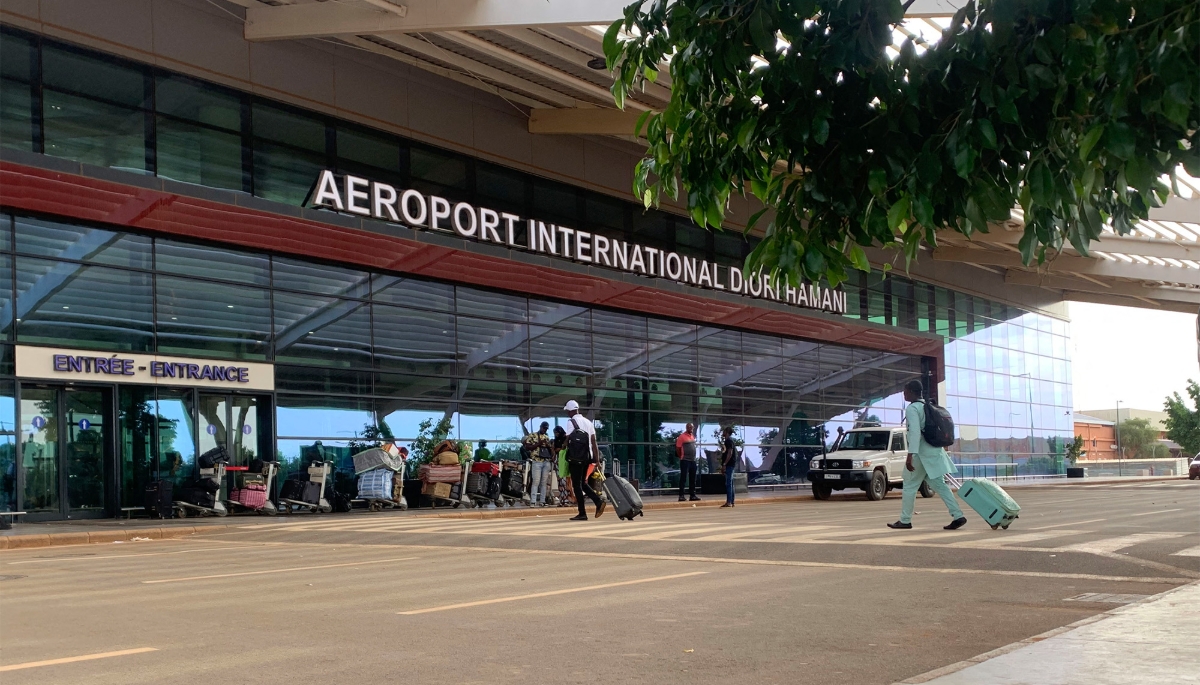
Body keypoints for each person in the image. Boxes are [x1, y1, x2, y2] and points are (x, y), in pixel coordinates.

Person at [889, 379, 967, 530]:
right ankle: (958, 516)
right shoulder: (928, 406)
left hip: (920, 454)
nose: (904, 395)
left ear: (911, 392)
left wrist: (910, 455)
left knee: (909, 485)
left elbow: (915, 433)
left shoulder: (913, 409)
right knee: (940, 485)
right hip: (935, 453)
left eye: (905, 392)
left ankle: (905, 520)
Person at [563, 400, 605, 520]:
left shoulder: (571, 422)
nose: (567, 414)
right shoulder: (588, 422)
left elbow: (567, 439)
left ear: (570, 411)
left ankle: (582, 513)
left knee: (576, 485)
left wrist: (562, 446)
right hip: (587, 457)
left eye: (568, 411)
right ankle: (598, 501)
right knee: (582, 483)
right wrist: (597, 460)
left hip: (575, 457)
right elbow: (593, 442)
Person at [522, 422, 554, 507]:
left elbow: (551, 449)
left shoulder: (546, 437)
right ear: (540, 427)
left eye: (546, 429)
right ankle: (533, 501)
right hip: (536, 461)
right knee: (536, 481)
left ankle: (542, 501)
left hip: (546, 461)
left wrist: (548, 445)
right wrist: (538, 444)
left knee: (543, 482)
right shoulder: (532, 435)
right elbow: (527, 447)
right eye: (544, 428)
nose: (545, 430)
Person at [675, 423, 700, 502]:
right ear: (686, 427)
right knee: (683, 478)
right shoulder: (681, 437)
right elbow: (678, 448)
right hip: (685, 460)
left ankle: (692, 495)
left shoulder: (692, 436)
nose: (690, 428)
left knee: (693, 478)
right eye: (689, 427)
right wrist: (681, 456)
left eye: (691, 427)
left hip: (693, 460)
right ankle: (681, 495)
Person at [553, 425, 573, 507]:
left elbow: (564, 448)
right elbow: (555, 449)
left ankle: (566, 499)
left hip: (564, 461)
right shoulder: (556, 440)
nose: (556, 434)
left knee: (565, 481)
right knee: (560, 481)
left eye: (557, 433)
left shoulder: (566, 439)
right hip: (558, 461)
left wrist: (561, 449)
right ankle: (562, 499)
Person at [720, 426, 738, 508]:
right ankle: (732, 501)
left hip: (729, 464)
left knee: (728, 483)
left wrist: (724, 464)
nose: (722, 432)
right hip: (731, 464)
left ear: (726, 432)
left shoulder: (728, 441)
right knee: (731, 483)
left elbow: (730, 453)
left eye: (724, 431)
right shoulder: (729, 440)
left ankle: (729, 502)